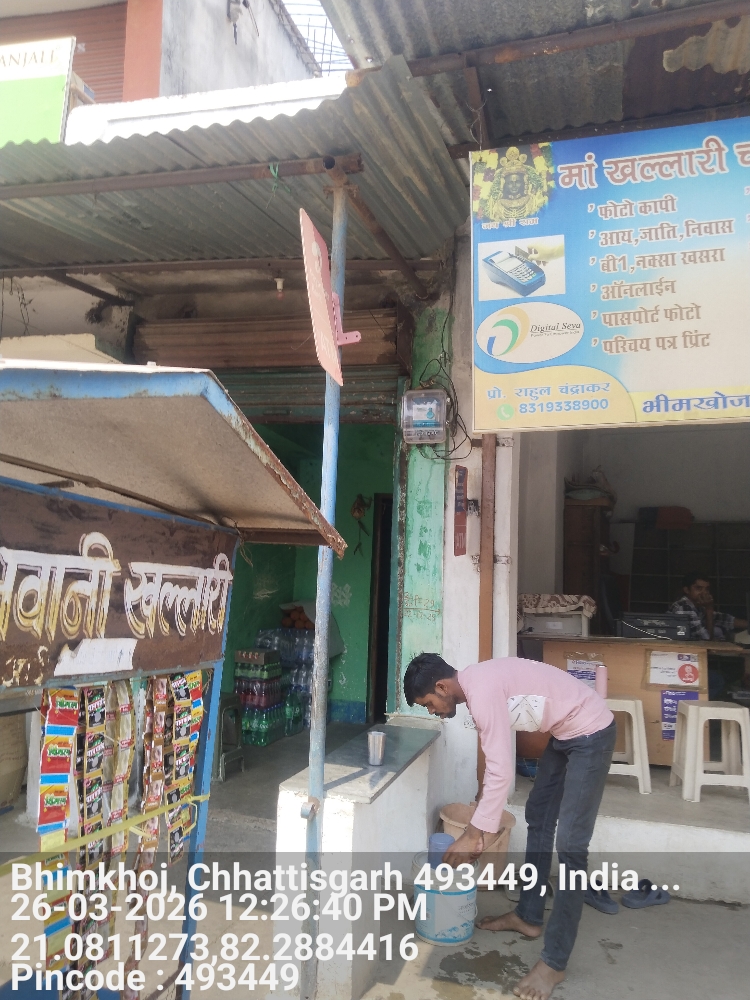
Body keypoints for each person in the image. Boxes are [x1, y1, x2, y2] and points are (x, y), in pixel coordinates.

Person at [404, 653, 616, 1000]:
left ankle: (555, 962)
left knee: (571, 846)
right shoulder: (476, 685)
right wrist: (480, 828)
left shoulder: (481, 689)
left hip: (592, 733)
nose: (432, 711)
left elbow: (501, 770)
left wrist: (473, 834)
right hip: (565, 733)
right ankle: (529, 917)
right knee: (539, 815)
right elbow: (495, 760)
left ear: (442, 687)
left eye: (429, 703)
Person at [669, 572, 746, 641]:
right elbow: (706, 640)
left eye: (707, 589)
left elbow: (723, 620)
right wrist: (709, 609)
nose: (704, 592)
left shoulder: (699, 607)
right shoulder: (683, 607)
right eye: (699, 588)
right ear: (687, 590)